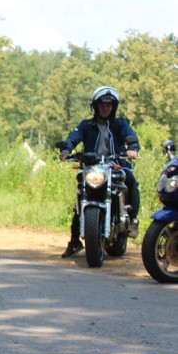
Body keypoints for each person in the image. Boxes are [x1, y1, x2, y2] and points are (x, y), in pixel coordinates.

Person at [58, 85, 140, 258]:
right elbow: (73, 138)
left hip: (115, 164)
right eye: (102, 104)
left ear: (114, 107)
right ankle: (75, 241)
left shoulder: (120, 124)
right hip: (92, 166)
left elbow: (130, 136)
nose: (106, 108)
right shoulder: (86, 125)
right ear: (95, 106)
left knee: (130, 179)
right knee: (81, 197)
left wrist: (132, 148)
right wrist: (66, 150)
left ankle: (131, 219)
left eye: (109, 105)